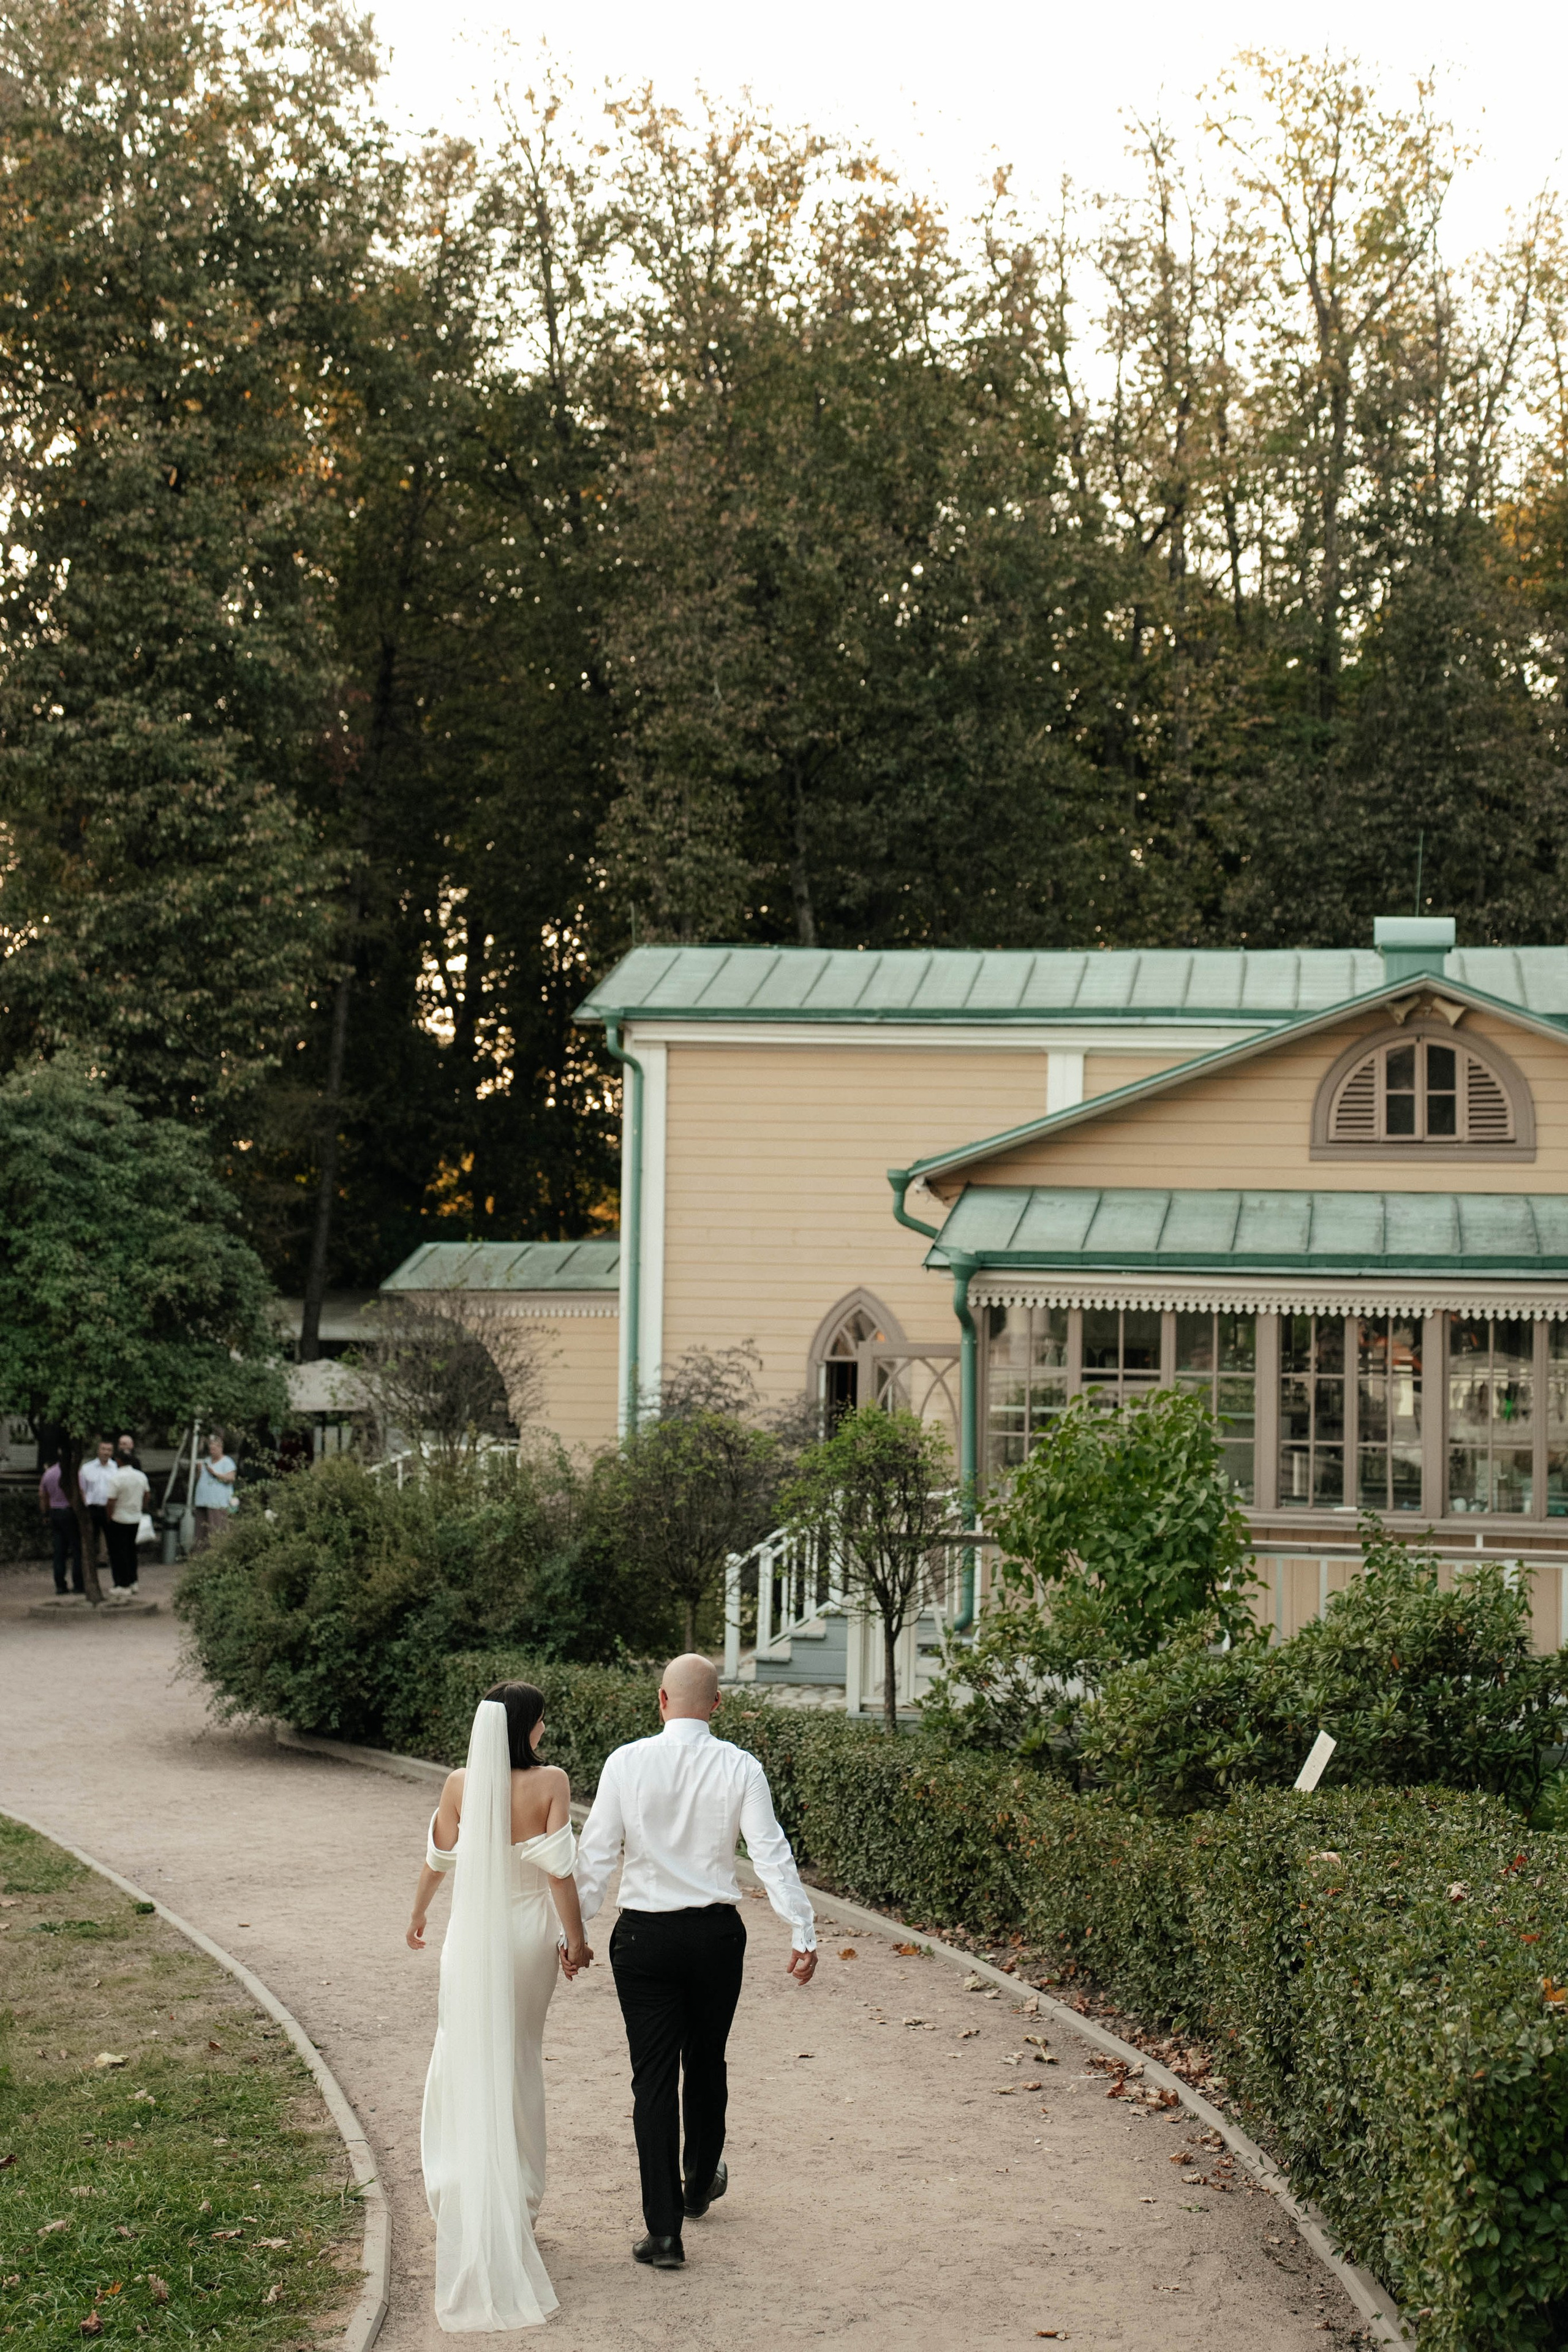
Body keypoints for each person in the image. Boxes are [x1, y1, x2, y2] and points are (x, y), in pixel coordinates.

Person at [573, 1653, 817, 2272]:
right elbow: (770, 1852)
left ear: (660, 1700)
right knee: (706, 2061)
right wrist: (801, 1927)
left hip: (644, 1942)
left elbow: (597, 1853)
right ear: (717, 1704)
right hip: (714, 1937)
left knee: (652, 2078)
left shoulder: (625, 1763)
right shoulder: (740, 1767)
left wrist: (569, 1930)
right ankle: (699, 2182)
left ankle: (663, 2234)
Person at [407, 1683, 590, 2331]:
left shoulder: (459, 1783)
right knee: (518, 2060)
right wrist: (578, 1940)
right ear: (528, 1727)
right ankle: (520, 2208)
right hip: (524, 1936)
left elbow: (437, 1859)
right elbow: (559, 1872)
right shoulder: (550, 1783)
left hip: (469, 1937)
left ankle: (457, 2194)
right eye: (541, 1722)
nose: (544, 1731)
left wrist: (419, 1913)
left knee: (459, 2055)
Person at [104, 1449, 149, 1596]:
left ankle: (123, 1584)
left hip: (119, 1518)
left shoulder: (116, 1478)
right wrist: (141, 1507)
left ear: (119, 1461)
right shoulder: (141, 1476)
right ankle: (133, 1582)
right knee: (131, 1551)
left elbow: (111, 1501)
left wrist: (109, 1517)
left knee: (119, 1552)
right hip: (135, 1517)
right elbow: (147, 1494)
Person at [39, 1451, 83, 1596]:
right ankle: (78, 1583)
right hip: (70, 1511)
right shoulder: (75, 1474)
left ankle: (60, 1584)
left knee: (59, 1551)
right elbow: (81, 1492)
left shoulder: (49, 1473)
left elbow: (43, 1495)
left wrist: (45, 1513)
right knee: (77, 1550)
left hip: (55, 1512)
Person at [77, 1438, 118, 1579]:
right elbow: (82, 1489)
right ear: (98, 1451)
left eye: (109, 1450)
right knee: (90, 1538)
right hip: (92, 1508)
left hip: (109, 1508)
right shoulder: (87, 1468)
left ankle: (112, 1569)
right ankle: (89, 1568)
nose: (106, 1453)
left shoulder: (116, 1468)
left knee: (112, 1540)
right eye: (103, 1449)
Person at [192, 1431, 237, 1551]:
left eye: (214, 1448)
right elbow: (199, 1479)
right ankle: (200, 1555)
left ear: (220, 1448)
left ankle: (217, 1553)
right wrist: (199, 1471)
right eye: (210, 1448)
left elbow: (231, 1478)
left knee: (216, 1529)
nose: (212, 1450)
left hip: (218, 1502)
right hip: (202, 1501)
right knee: (201, 1531)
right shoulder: (206, 1461)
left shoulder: (227, 1462)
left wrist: (216, 1474)